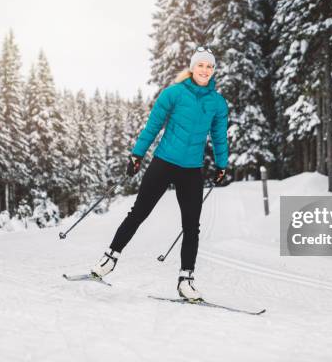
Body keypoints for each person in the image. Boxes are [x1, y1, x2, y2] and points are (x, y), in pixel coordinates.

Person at [90, 47, 229, 301]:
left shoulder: (217, 103)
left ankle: (186, 280)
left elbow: (219, 136)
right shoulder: (173, 94)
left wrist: (222, 164)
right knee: (139, 212)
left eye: (210, 66)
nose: (205, 70)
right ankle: (109, 259)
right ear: (192, 67)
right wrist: (137, 155)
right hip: (163, 163)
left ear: (213, 70)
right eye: (201, 65)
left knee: (191, 226)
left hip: (191, 170)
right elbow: (153, 125)